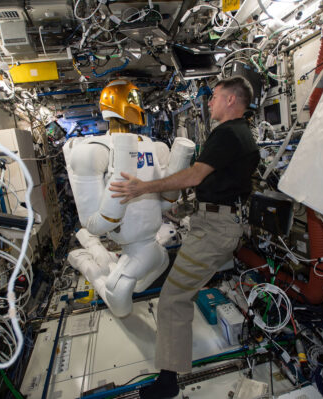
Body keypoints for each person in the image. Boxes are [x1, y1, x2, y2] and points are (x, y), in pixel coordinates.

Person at [109, 76, 260, 399]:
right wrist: (180, 211)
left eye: (215, 96)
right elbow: (220, 185)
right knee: (180, 292)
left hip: (214, 230)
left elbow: (195, 175)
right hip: (218, 223)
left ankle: (167, 384)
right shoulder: (244, 134)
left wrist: (142, 187)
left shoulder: (228, 134)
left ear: (231, 100)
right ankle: (169, 375)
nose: (210, 102)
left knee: (173, 299)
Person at [63, 79, 195, 318]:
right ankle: (84, 258)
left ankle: (98, 254)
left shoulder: (152, 146)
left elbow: (165, 200)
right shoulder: (94, 149)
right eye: (132, 99)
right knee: (120, 302)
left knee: (138, 276)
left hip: (150, 240)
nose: (137, 105)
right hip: (127, 236)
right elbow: (95, 222)